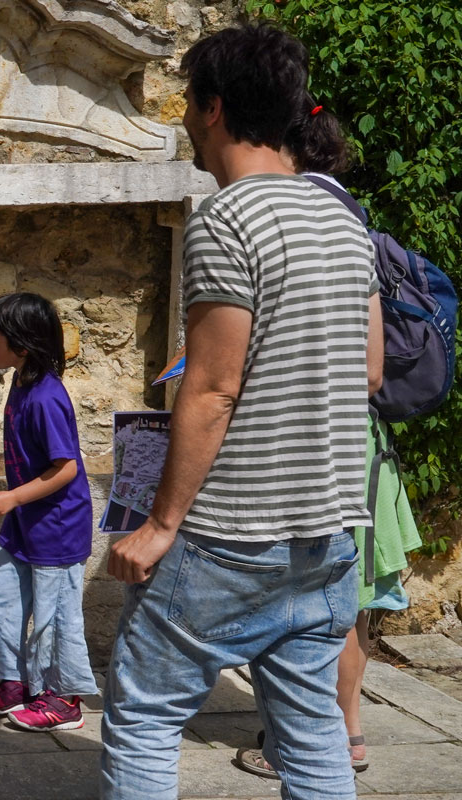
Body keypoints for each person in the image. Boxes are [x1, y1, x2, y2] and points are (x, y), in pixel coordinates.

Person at [100, 23, 382, 800]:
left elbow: (215, 388)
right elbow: (367, 370)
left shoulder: (228, 219)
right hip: (327, 537)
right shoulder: (343, 218)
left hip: (231, 537)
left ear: (214, 107)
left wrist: (159, 527)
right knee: (315, 732)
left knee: (146, 716)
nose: (185, 120)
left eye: (188, 103)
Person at [232, 97, 421, 779]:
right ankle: (346, 733)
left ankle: (322, 741)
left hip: (325, 446)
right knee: (353, 603)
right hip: (365, 448)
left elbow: (358, 367)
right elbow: (371, 365)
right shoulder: (351, 214)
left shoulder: (309, 217)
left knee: (325, 605)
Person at [0, 292, 98, 732]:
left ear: (22, 346)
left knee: (55, 618)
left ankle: (64, 700)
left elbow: (67, 468)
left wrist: (13, 498)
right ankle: (13, 683)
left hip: (56, 528)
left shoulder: (46, 397)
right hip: (24, 525)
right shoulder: (20, 382)